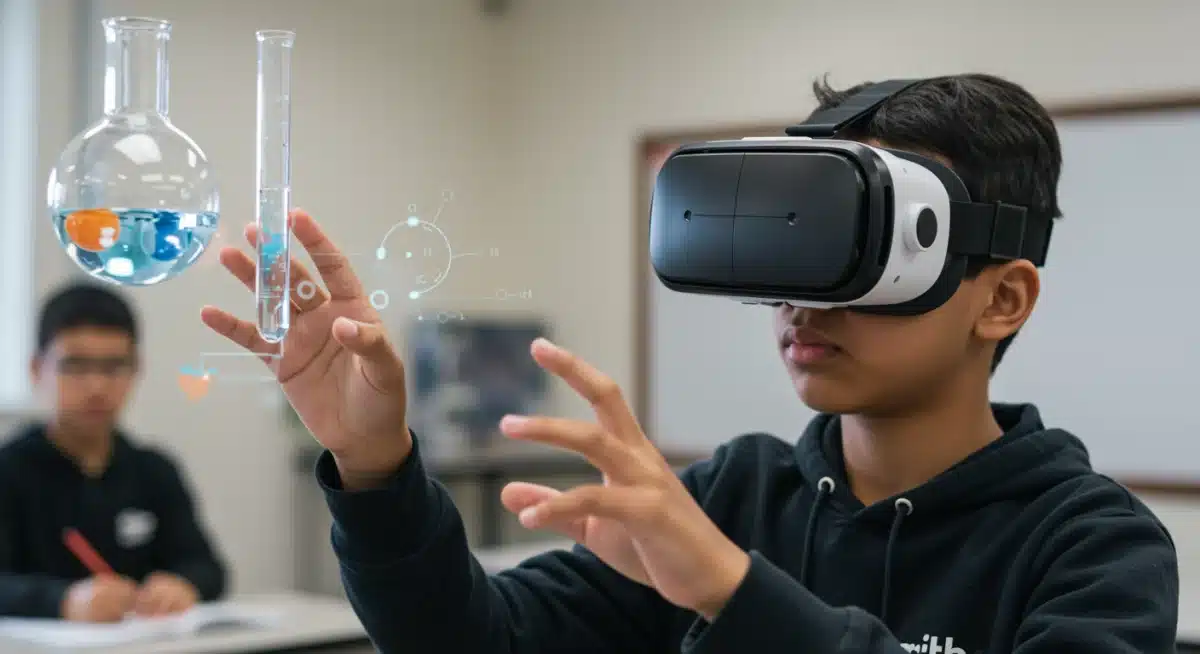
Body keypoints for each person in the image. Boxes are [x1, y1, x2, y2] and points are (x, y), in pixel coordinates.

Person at [201, 74, 1177, 653]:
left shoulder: (1094, 547)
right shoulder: (733, 495)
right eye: (792, 249)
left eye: (853, 253)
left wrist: (729, 588)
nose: (802, 302)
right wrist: (376, 468)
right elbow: (471, 642)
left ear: (1000, 298)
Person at [0, 283, 226, 622]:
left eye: (114, 366)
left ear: (137, 369)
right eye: (75, 366)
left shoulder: (154, 470)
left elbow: (208, 567)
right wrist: (62, 601)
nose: (97, 387)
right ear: (37, 369)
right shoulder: (9, 470)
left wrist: (183, 585)